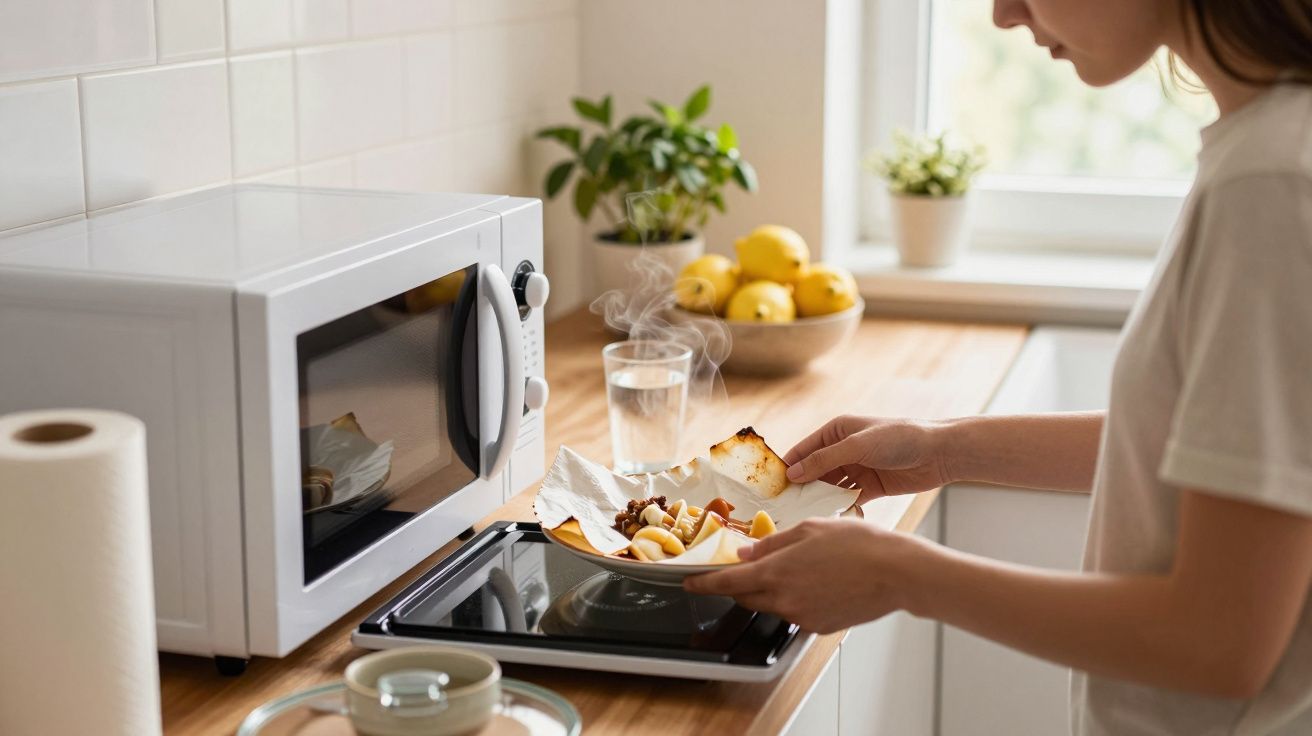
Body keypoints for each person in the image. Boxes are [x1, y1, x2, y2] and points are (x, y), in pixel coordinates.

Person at [685, 1, 1312, 733]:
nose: (1004, 12)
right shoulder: (1266, 151)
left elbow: (1218, 639)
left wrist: (901, 575)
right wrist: (941, 447)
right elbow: (1202, 445)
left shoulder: (1269, 185)